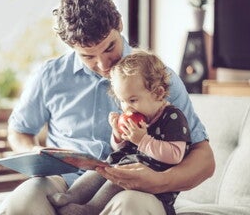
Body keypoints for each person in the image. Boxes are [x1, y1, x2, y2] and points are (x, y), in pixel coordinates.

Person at [0, 0, 215, 215]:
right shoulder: (49, 76)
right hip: (64, 183)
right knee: (21, 202)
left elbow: (204, 158)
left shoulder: (159, 80)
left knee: (133, 206)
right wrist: (38, 157)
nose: (104, 65)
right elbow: (19, 132)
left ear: (119, 23)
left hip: (134, 187)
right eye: (88, 56)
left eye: (110, 47)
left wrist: (160, 181)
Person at [47, 51, 191, 215]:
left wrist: (143, 140)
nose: (126, 108)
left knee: (117, 178)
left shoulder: (172, 117)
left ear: (158, 93)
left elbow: (175, 155)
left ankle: (91, 209)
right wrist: (118, 135)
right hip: (125, 164)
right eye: (122, 101)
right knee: (99, 169)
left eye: (132, 100)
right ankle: (70, 196)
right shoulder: (141, 116)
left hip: (152, 184)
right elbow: (120, 148)